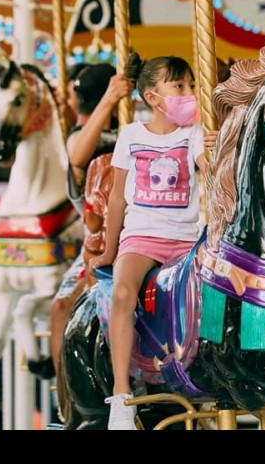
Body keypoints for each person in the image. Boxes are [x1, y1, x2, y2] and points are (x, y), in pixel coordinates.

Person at [89, 53, 206, 430]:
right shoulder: (131, 135)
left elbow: (211, 171)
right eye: (179, 86)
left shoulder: (194, 134)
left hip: (186, 241)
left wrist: (215, 143)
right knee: (123, 294)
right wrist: (109, 250)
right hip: (141, 237)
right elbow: (117, 198)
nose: (188, 93)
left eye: (191, 85)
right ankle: (122, 395)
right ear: (153, 97)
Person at [28, 63, 131, 384]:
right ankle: (67, 392)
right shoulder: (79, 138)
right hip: (97, 242)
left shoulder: (130, 133)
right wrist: (111, 99)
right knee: (62, 306)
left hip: (137, 234)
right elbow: (76, 156)